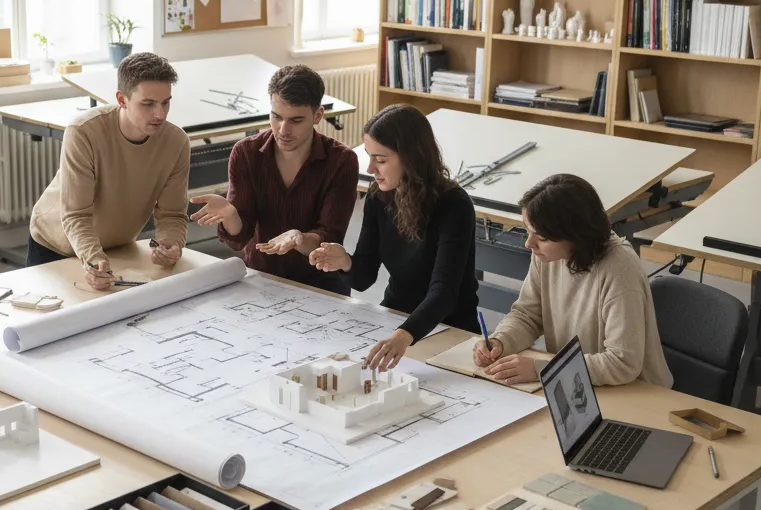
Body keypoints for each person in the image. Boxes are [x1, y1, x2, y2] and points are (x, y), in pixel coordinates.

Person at [309, 103, 479, 371]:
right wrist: (345, 262)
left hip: (449, 328)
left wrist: (405, 334)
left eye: (381, 159)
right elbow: (364, 279)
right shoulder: (380, 195)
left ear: (411, 158)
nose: (370, 168)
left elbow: (444, 292)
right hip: (395, 318)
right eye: (369, 156)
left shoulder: (454, 204)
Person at [473, 173, 672, 388]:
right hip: (575, 381)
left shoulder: (620, 271)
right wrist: (501, 341)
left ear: (575, 234)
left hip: (634, 394)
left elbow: (621, 363)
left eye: (542, 237)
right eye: (528, 231)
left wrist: (543, 369)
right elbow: (527, 315)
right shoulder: (547, 256)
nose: (529, 244)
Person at [190, 65, 358, 295]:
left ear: (318, 115)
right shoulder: (246, 153)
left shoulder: (341, 161)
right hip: (260, 277)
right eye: (276, 116)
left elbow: (331, 236)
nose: (283, 130)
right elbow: (239, 239)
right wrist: (231, 216)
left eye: (296, 120)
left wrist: (298, 239)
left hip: (319, 283)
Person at [28, 52, 190, 290]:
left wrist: (172, 244)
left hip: (119, 247)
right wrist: (93, 260)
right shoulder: (83, 132)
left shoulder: (177, 142)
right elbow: (76, 215)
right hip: (56, 246)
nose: (160, 114)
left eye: (166, 102)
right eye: (148, 104)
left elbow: (172, 214)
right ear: (122, 99)